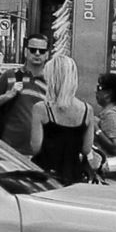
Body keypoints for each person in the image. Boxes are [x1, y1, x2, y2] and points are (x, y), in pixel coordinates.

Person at [28, 55, 95, 183]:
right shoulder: (87, 110)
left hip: (45, 176)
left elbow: (35, 148)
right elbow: (86, 149)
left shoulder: (41, 109)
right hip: (74, 176)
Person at [0, 34, 51, 154]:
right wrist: (7, 96)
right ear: (25, 52)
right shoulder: (9, 76)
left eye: (42, 51)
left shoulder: (52, 83)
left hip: (39, 154)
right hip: (8, 151)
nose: (37, 53)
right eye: (33, 50)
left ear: (47, 55)